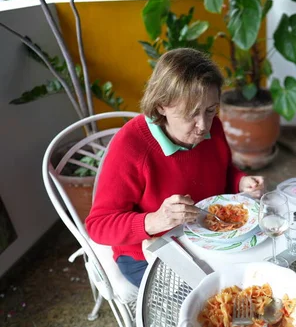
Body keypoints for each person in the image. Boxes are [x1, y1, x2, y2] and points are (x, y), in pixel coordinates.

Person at [86, 48, 265, 287]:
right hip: (149, 254)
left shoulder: (213, 127)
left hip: (208, 238)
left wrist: (240, 181)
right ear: (162, 106)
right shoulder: (130, 146)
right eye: (191, 114)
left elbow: (220, 169)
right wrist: (155, 220)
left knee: (260, 273)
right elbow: (98, 226)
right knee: (212, 300)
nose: (203, 126)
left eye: (211, 110)